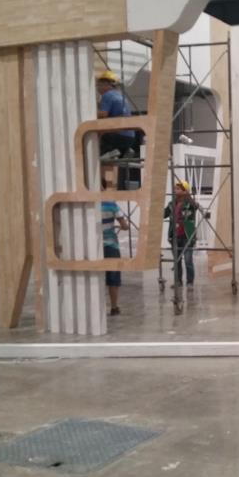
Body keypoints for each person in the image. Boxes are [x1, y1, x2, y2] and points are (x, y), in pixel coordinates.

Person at [164, 180, 199, 288]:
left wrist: (188, 196)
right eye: (175, 188)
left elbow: (196, 206)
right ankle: (178, 281)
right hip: (175, 236)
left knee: (188, 261)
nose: (175, 190)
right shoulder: (172, 204)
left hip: (187, 236)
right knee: (177, 261)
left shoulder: (190, 204)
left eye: (178, 188)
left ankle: (190, 282)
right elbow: (164, 214)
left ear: (184, 191)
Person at [101, 182, 129, 315]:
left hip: (91, 247)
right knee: (113, 276)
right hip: (110, 245)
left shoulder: (86, 203)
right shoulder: (110, 204)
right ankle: (114, 306)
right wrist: (122, 226)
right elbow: (124, 225)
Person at [96, 70, 135, 159]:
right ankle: (120, 152)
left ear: (106, 84)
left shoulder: (107, 95)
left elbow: (103, 114)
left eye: (99, 85)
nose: (98, 88)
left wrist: (89, 112)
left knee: (98, 140)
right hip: (130, 137)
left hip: (116, 137)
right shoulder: (120, 96)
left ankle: (110, 153)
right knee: (113, 159)